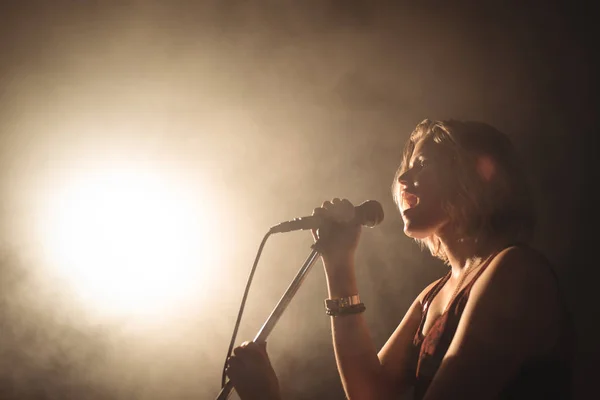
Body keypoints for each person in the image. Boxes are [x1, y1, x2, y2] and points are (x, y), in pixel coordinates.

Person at [225, 119, 574, 399]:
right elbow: (369, 393)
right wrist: (339, 263)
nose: (404, 179)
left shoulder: (515, 272)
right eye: (406, 168)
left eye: (422, 165)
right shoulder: (432, 296)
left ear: (473, 177)